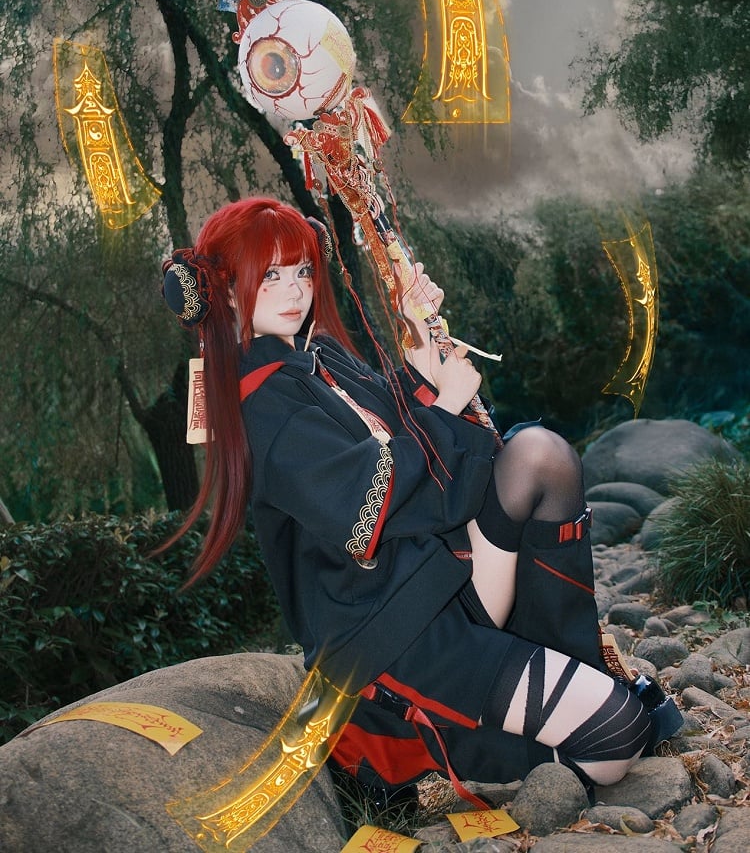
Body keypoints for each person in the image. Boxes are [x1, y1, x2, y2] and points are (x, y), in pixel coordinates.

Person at [161, 196, 676, 812]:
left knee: (540, 456)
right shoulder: (262, 404)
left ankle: (573, 667)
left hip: (434, 580)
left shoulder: (319, 358)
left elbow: (402, 433)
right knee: (618, 734)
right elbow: (368, 506)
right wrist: (444, 406)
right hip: (390, 635)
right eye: (270, 275)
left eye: (302, 270)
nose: (295, 290)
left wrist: (420, 345)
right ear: (222, 288)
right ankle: (435, 750)